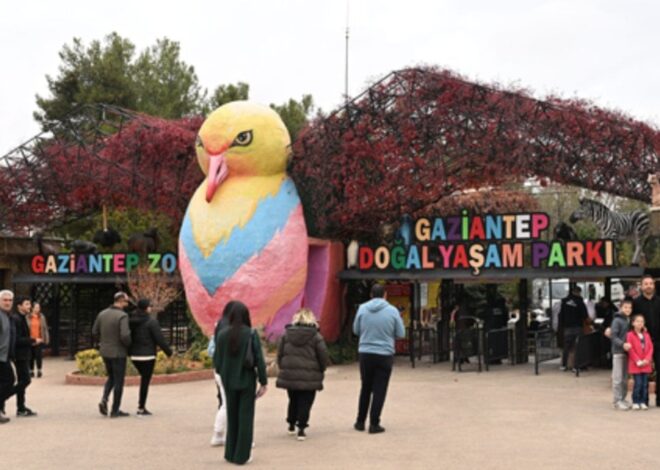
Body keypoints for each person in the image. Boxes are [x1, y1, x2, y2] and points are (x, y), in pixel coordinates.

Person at [213, 301, 268, 465]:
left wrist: (224, 374)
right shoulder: (250, 334)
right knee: (245, 417)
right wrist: (263, 381)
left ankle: (230, 453)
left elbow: (217, 361)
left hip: (228, 380)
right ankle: (242, 455)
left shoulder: (222, 335)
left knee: (232, 416)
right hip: (246, 380)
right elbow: (259, 359)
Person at [352, 284, 405, 434]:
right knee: (379, 389)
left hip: (365, 353)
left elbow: (356, 330)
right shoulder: (393, 311)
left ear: (370, 294)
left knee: (365, 387)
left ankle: (360, 421)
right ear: (385, 295)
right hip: (385, 354)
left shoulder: (362, 309)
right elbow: (401, 333)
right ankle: (374, 424)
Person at [276, 308, 329, 441]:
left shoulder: (286, 335)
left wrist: (283, 367)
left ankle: (291, 424)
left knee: (293, 399)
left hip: (290, 374)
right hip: (310, 376)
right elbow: (323, 356)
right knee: (306, 401)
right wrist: (322, 369)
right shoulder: (316, 337)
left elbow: (280, 354)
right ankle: (301, 429)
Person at [128, 298, 173, 416]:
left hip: (134, 355)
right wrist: (169, 352)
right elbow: (159, 339)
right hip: (147, 355)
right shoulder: (151, 321)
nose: (151, 308)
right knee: (145, 381)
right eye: (149, 306)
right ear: (146, 308)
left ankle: (140, 407)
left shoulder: (131, 320)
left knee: (143, 378)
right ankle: (141, 408)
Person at [92, 291, 132, 418]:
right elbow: (125, 335)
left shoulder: (102, 314)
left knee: (111, 377)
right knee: (119, 380)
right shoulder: (122, 316)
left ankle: (104, 399)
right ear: (120, 300)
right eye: (126, 301)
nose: (127, 303)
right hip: (118, 352)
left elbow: (94, 331)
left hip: (105, 351)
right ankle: (115, 410)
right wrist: (129, 345)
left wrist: (103, 341)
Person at [632, 275, 660, 407]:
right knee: (643, 371)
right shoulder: (636, 303)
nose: (648, 286)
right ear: (641, 286)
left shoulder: (659, 301)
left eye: (650, 283)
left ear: (654, 286)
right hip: (642, 343)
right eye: (646, 284)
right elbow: (629, 319)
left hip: (659, 341)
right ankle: (644, 400)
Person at [208, 306, 233, 447]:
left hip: (219, 371)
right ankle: (239, 437)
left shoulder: (218, 332)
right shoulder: (242, 332)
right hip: (232, 372)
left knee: (224, 403)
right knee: (236, 405)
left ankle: (218, 434)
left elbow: (212, 351)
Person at [11, 297, 37, 416]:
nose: (29, 306)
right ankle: (4, 396)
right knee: (25, 380)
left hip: (23, 354)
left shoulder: (21, 318)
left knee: (23, 380)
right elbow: (17, 340)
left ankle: (21, 407)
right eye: (27, 304)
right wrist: (32, 340)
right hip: (19, 355)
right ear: (19, 306)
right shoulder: (16, 319)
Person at [626, 314, 654, 410]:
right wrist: (637, 360)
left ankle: (642, 401)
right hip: (636, 364)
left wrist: (647, 359)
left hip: (646, 364)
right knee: (637, 383)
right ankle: (636, 401)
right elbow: (631, 349)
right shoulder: (629, 335)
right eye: (637, 321)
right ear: (633, 323)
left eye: (641, 321)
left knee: (644, 384)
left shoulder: (646, 335)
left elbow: (650, 347)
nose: (639, 323)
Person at [558, 285, 588, 371]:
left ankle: (563, 365)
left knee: (566, 347)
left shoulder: (564, 301)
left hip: (567, 328)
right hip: (577, 327)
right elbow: (584, 315)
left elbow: (561, 315)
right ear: (578, 292)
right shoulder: (580, 302)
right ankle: (575, 366)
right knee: (577, 347)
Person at [610, 299, 632, 410]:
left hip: (627, 353)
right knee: (617, 378)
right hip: (618, 352)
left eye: (629, 307)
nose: (628, 309)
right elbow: (613, 336)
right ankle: (616, 401)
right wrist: (622, 344)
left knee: (624, 378)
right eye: (625, 307)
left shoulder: (629, 320)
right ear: (620, 308)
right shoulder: (617, 321)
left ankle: (622, 399)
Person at [0, 290, 16, 424]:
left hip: (5, 356)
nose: (7, 302)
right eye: (5, 300)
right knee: (9, 380)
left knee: (8, 382)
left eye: (10, 300)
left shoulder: (8, 316)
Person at [27, 302, 49, 378]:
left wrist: (45, 338)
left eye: (39, 307)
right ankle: (31, 370)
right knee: (30, 356)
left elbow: (45, 328)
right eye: (36, 307)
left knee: (38, 356)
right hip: (30, 339)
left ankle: (39, 370)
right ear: (32, 308)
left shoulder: (41, 317)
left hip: (39, 339)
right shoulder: (27, 317)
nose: (38, 309)